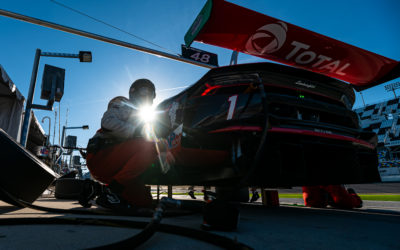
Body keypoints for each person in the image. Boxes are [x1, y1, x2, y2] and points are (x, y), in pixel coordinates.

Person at [86, 79, 171, 209]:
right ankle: (113, 191)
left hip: (117, 162)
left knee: (144, 202)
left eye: (151, 93)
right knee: (152, 146)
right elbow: (107, 122)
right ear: (134, 92)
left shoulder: (142, 117)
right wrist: (136, 131)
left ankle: (96, 189)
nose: (148, 96)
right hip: (103, 156)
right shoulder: (124, 105)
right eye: (145, 90)